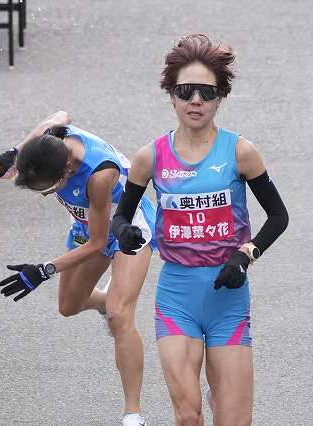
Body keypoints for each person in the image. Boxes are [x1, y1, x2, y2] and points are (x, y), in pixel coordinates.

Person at [111, 34, 289, 425]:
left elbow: (278, 217)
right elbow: (121, 217)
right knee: (188, 414)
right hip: (177, 296)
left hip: (228, 297)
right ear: (171, 95)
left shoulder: (241, 152)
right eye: (185, 91)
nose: (196, 101)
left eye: (206, 93)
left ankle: (221, 392)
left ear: (220, 98)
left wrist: (245, 255)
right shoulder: (150, 157)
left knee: (234, 420)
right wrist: (123, 232)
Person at [0, 111, 156, 426]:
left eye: (50, 188)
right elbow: (59, 114)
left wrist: (44, 270)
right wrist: (10, 156)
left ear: (67, 168)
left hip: (127, 226)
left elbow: (97, 243)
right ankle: (108, 301)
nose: (48, 194)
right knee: (68, 307)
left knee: (121, 316)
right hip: (85, 222)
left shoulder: (99, 173)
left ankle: (133, 413)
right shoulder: (51, 138)